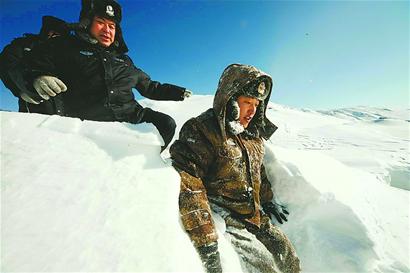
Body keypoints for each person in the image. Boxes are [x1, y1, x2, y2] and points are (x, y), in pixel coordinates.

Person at [170, 64, 301, 273]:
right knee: (266, 268)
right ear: (229, 100)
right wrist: (207, 245)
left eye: (257, 104)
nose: (252, 111)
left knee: (289, 257)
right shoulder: (202, 130)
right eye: (247, 102)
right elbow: (189, 185)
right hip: (225, 215)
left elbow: (259, 173)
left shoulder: (253, 135)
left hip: (254, 215)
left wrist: (267, 200)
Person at [27, 0, 192, 152]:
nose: (107, 30)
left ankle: (148, 160)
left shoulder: (123, 59)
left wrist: (177, 92)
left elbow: (149, 87)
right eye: (100, 23)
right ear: (87, 23)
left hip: (131, 116)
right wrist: (37, 77)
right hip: (90, 123)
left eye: (112, 26)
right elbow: (33, 64)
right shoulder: (65, 47)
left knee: (166, 123)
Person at [0, 16, 70, 114]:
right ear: (46, 31)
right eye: (53, 33)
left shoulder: (66, 53)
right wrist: (22, 89)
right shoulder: (25, 45)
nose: (55, 38)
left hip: (65, 112)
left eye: (60, 35)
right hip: (34, 107)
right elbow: (7, 67)